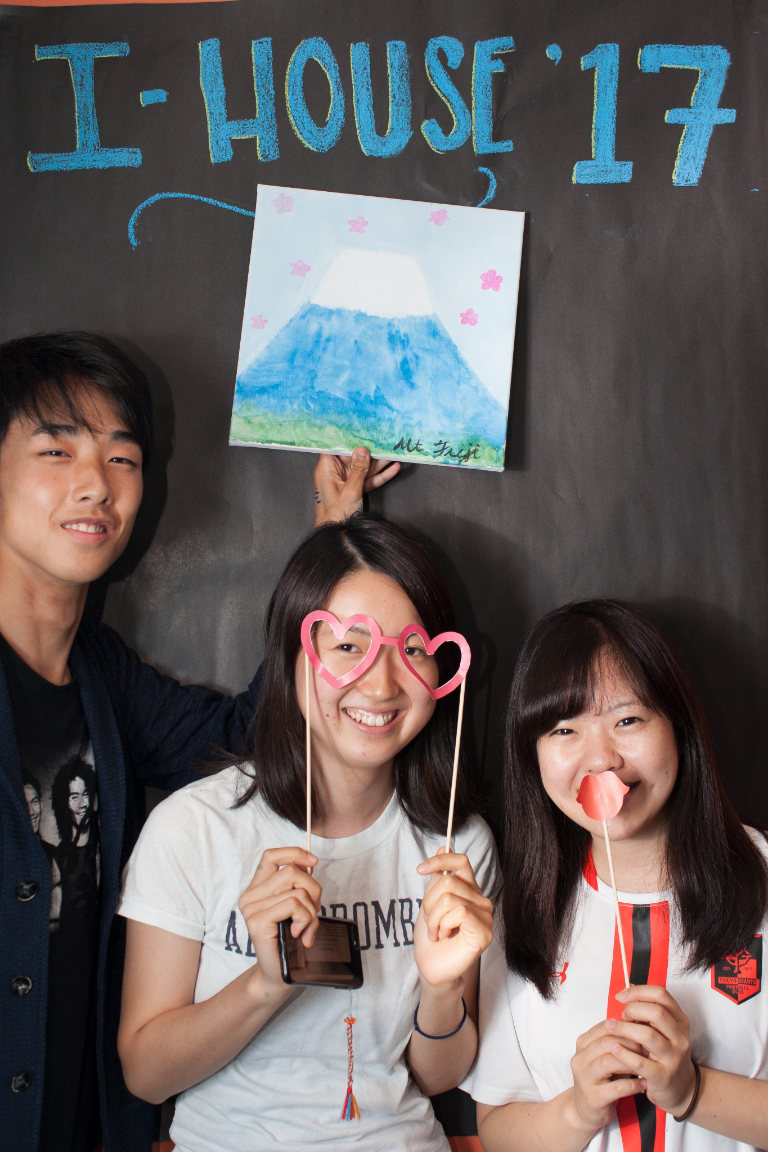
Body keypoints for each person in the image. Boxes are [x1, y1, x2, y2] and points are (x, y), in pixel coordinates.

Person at [0, 331, 395, 1152]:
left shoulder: (99, 676)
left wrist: (330, 534)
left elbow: (243, 735)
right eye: (56, 449)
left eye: (122, 458)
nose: (94, 485)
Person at [117, 515, 497, 1152]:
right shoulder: (193, 829)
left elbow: (439, 1076)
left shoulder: (458, 848)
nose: (380, 684)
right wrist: (266, 983)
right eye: (349, 646)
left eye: (412, 649)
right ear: (292, 656)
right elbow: (146, 1075)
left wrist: (438, 987)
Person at [467, 599, 768, 1152]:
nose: (600, 759)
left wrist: (693, 1091)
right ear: (531, 753)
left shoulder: (764, 877)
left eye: (627, 720)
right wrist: (578, 1112)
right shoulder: (520, 907)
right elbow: (498, 1129)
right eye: (564, 730)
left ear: (678, 726)